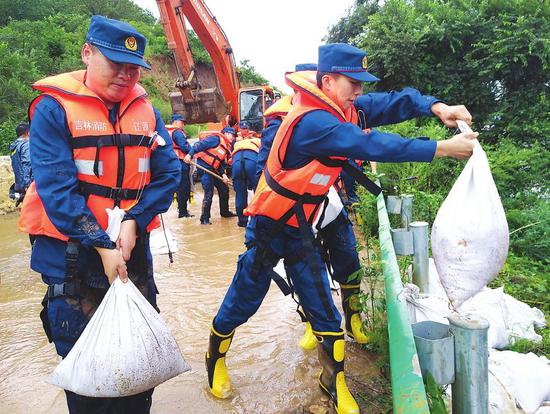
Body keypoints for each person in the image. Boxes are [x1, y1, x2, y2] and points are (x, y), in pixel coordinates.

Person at [205, 43, 477, 413]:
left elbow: (393, 101)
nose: (360, 92)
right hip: (269, 228)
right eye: (354, 83)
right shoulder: (313, 123)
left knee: (325, 312)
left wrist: (436, 107)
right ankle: (215, 361)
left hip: (303, 227)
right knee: (243, 301)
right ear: (328, 81)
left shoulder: (345, 107)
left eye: (362, 84)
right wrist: (442, 148)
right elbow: (372, 144)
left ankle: (333, 383)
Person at [18, 15, 180, 413]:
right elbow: (57, 190)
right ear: (87, 53)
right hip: (73, 257)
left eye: (133, 68)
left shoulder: (146, 111)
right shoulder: (54, 110)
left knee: (139, 365)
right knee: (88, 379)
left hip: (130, 252)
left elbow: (169, 172)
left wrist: (135, 219)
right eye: (115, 64)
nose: (126, 75)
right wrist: (102, 245)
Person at [184, 127, 236, 224]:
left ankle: (225, 212)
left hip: (213, 169)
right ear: (226, 133)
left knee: (224, 189)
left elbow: (220, 163)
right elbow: (197, 145)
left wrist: (223, 174)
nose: (233, 138)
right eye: (232, 135)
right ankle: (204, 219)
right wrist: (189, 155)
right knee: (209, 192)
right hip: (203, 167)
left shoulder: (226, 147)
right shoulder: (215, 139)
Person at [230, 125, 261, 227]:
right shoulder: (258, 140)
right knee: (258, 192)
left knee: (240, 194)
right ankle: (259, 219)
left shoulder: (236, 143)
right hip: (251, 161)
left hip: (237, 163)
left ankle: (242, 222)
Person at [166, 113, 193, 218]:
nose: (183, 125)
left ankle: (180, 210)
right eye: (182, 122)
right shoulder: (177, 133)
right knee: (184, 188)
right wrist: (192, 151)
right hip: (181, 163)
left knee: (177, 188)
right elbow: (184, 147)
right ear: (176, 122)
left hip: (171, 163)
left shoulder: (166, 132)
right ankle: (183, 213)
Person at [9, 122, 33, 205]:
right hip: (28, 183)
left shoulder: (14, 146)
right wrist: (27, 184)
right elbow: (27, 163)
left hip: (19, 183)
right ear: (28, 132)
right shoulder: (26, 144)